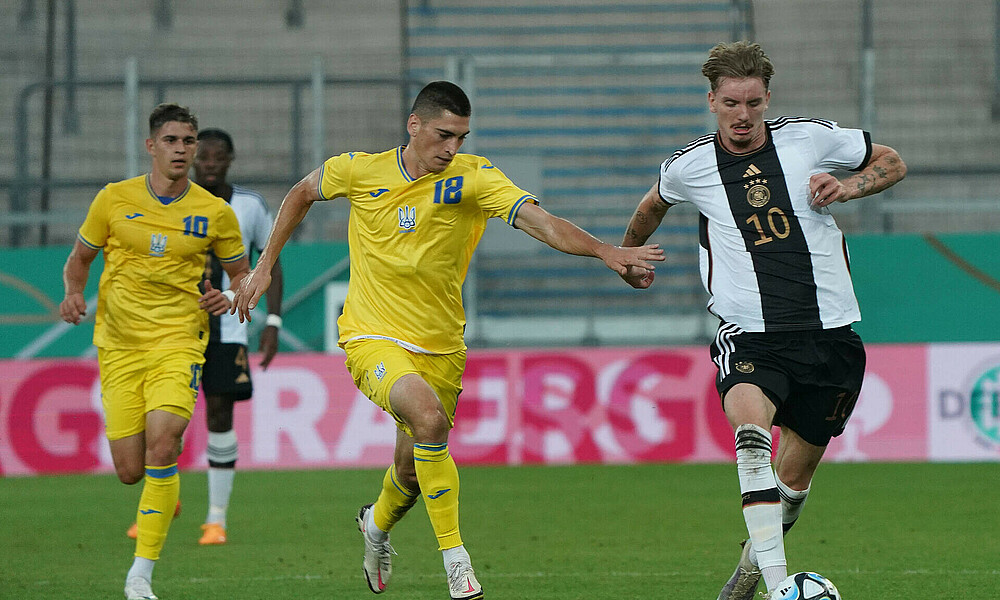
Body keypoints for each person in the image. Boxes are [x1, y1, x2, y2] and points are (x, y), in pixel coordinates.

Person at [231, 81, 664, 600]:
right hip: (370, 334)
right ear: (414, 126)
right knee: (430, 420)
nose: (451, 148)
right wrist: (263, 266)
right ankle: (458, 566)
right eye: (443, 135)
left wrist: (604, 251)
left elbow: (540, 222)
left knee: (410, 472)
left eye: (460, 137)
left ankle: (375, 526)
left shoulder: (474, 178)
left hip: (441, 346)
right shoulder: (358, 169)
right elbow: (302, 193)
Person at [618, 42, 906, 600]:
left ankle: (752, 570)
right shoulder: (691, 165)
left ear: (767, 98)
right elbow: (653, 203)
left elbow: (891, 161)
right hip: (749, 334)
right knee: (751, 440)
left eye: (752, 102)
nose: (742, 115)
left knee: (793, 484)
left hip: (831, 336)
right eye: (730, 103)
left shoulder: (810, 139)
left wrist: (848, 186)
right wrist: (629, 252)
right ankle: (779, 584)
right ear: (711, 101)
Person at [60, 103, 249, 600]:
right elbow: (80, 258)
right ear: (151, 146)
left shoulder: (214, 213)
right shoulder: (114, 199)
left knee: (164, 445)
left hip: (180, 341)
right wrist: (73, 293)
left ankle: (140, 575)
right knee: (130, 471)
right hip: (119, 346)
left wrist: (228, 296)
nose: (182, 150)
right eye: (172, 140)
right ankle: (165, 494)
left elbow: (241, 275)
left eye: (188, 141)